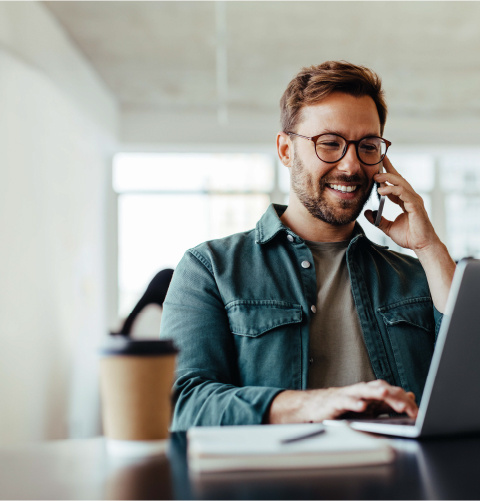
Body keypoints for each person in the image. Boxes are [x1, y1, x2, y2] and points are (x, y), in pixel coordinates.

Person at [160, 61, 456, 429]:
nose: (351, 166)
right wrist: (315, 404)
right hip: (277, 483)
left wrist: (429, 247)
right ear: (286, 150)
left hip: (401, 481)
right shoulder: (211, 269)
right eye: (330, 143)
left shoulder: (416, 275)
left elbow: (477, 379)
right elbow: (181, 403)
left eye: (367, 146)